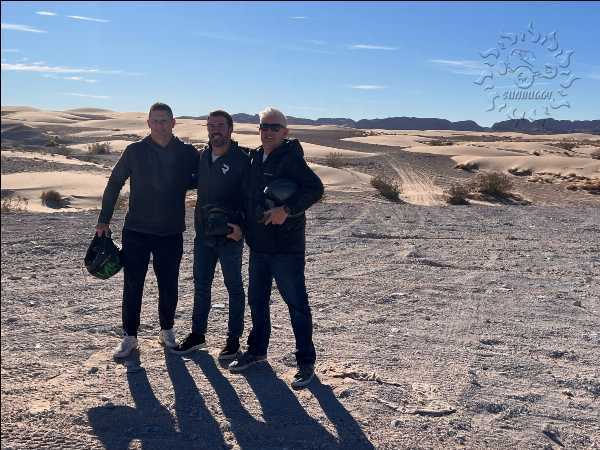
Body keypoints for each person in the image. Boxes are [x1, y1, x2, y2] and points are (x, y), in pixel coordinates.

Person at [228, 107, 324, 389]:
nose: (268, 132)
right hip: (259, 244)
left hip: (286, 247)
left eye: (274, 127)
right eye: (264, 127)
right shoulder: (255, 158)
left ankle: (305, 362)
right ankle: (257, 351)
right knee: (257, 301)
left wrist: (287, 210)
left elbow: (315, 189)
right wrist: (241, 225)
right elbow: (249, 197)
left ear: (285, 131)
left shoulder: (291, 158)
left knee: (296, 304)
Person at [96, 102, 199, 358]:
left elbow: (206, 179)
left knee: (169, 284)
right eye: (155, 121)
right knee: (133, 285)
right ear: (148, 123)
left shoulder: (187, 153)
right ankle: (130, 337)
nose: (160, 125)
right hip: (136, 230)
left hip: (171, 232)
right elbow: (114, 182)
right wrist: (104, 220)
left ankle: (167, 330)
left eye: (164, 120)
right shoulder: (135, 151)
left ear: (173, 123)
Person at [171, 110, 250, 359]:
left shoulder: (243, 159)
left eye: (220, 125)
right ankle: (197, 335)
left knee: (234, 288)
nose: (215, 129)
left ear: (230, 129)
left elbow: (252, 198)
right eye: (211, 125)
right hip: (204, 235)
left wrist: (242, 228)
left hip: (230, 236)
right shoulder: (203, 157)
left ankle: (233, 340)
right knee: (201, 286)